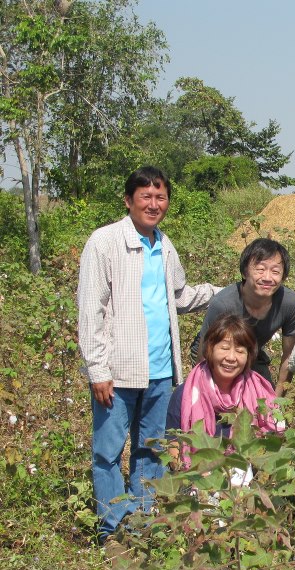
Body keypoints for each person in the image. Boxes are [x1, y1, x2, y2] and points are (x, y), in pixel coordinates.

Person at [78, 166, 218, 542]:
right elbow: (91, 309)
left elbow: (178, 297)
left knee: (151, 450)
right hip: (118, 371)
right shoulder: (105, 242)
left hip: (159, 371)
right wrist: (97, 369)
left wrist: (223, 292)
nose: (154, 204)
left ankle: (142, 525)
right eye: (146, 197)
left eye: (160, 197)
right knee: (108, 452)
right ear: (128, 201)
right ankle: (112, 529)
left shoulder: (164, 244)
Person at [192, 238, 295, 393]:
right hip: (217, 353)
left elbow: (289, 355)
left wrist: (277, 401)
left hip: (252, 353)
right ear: (245, 272)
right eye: (260, 269)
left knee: (262, 404)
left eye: (275, 271)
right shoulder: (223, 304)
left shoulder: (290, 303)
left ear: (283, 277)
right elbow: (204, 355)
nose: (267, 277)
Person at [166, 314, 280, 441]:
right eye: (224, 348)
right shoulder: (184, 395)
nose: (231, 357)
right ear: (210, 349)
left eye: (240, 351)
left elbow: (276, 441)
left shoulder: (261, 393)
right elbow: (173, 445)